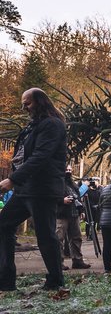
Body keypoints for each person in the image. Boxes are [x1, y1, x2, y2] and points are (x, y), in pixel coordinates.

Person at [0, 88, 69, 292]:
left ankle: (55, 280)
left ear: (41, 102)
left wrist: (11, 180)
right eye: (23, 103)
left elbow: (40, 156)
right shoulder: (32, 126)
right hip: (25, 189)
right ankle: (5, 279)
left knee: (45, 234)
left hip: (43, 189)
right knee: (3, 224)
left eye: (27, 103)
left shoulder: (53, 125)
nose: (24, 107)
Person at [57, 166, 90, 270]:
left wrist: (82, 211)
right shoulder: (56, 182)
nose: (68, 171)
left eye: (70, 170)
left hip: (74, 213)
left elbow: (78, 197)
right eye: (66, 169)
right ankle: (58, 262)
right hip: (61, 214)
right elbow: (49, 196)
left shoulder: (73, 184)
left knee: (76, 238)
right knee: (58, 238)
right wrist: (61, 200)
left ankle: (77, 260)